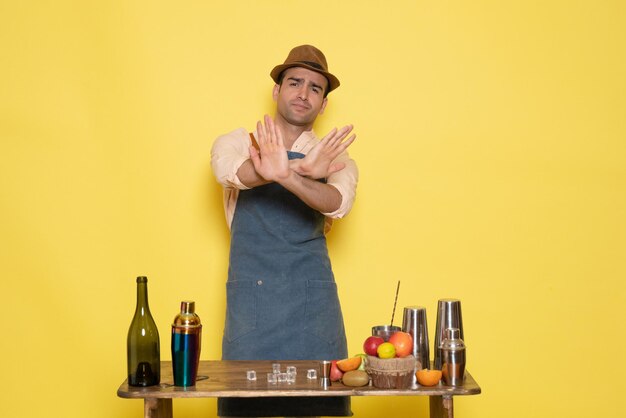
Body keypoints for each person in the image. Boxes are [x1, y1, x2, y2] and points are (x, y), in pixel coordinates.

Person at [211, 44, 358, 417]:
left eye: (315, 88)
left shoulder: (334, 156)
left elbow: (337, 202)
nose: (303, 93)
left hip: (313, 307)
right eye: (295, 82)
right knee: (244, 409)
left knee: (322, 411)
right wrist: (273, 169)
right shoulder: (238, 142)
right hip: (252, 307)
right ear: (277, 90)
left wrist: (289, 176)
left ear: (324, 103)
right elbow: (230, 172)